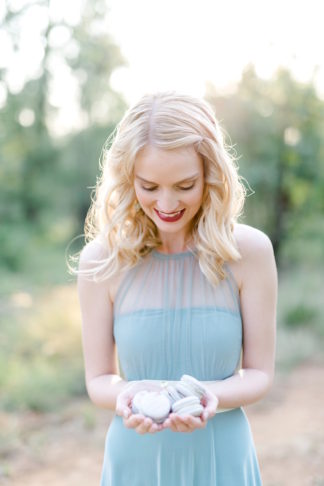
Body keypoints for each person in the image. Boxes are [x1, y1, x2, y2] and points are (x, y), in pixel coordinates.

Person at [73, 91, 277, 485]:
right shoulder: (101, 261)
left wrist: (207, 398)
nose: (166, 203)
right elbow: (98, 380)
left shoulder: (248, 252)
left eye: (185, 185)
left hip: (223, 456)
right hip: (136, 458)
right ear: (128, 178)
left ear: (211, 175)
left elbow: (259, 373)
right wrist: (129, 396)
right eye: (149, 186)